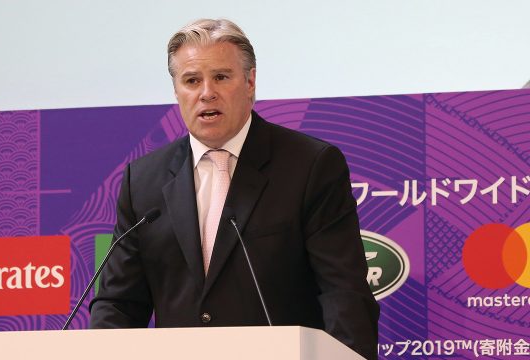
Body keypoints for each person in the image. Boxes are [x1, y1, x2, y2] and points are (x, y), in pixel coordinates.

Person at [89, 18, 379, 359]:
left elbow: (343, 293)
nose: (206, 92)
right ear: (176, 91)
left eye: (221, 77)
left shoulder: (310, 166)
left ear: (250, 81)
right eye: (192, 80)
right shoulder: (143, 180)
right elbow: (118, 303)